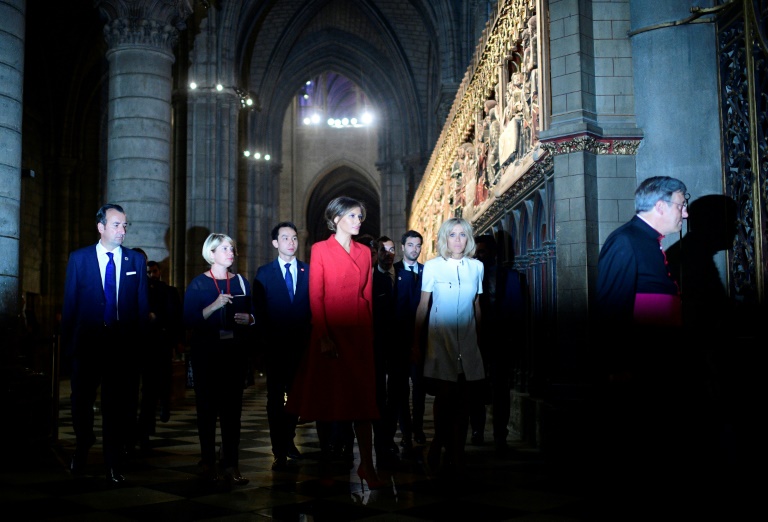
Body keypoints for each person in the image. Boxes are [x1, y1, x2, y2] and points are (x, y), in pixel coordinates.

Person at [595, 176, 691, 513]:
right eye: (681, 204)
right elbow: (611, 308)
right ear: (661, 205)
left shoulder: (650, 242)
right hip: (638, 373)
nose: (685, 213)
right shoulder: (626, 241)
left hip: (657, 368)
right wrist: (619, 367)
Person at [286, 196, 382, 489]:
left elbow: (366, 296)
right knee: (328, 404)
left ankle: (367, 464)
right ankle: (326, 466)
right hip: (329, 335)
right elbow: (316, 296)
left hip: (358, 335)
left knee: (363, 403)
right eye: (353, 216)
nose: (358, 221)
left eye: (360, 217)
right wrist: (324, 337)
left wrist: (367, 335)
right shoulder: (320, 249)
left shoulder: (365, 252)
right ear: (336, 218)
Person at [61, 203, 150, 485]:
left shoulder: (135, 261)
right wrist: (67, 349)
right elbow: (71, 305)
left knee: (117, 406)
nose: (122, 230)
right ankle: (83, 445)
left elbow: (141, 308)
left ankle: (113, 461)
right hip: (87, 345)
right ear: (100, 227)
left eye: (125, 225)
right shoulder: (79, 259)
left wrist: (139, 348)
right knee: (81, 402)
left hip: (121, 348)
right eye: (116, 225)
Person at [412, 217, 484, 475]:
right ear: (444, 238)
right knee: (444, 397)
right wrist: (417, 343)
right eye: (452, 234)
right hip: (440, 340)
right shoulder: (432, 267)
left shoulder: (477, 268)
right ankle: (438, 443)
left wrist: (480, 340)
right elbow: (423, 306)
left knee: (464, 400)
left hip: (467, 339)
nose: (457, 240)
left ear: (468, 239)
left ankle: (458, 451)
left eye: (462, 235)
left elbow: (476, 305)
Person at [183, 233, 255, 486]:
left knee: (232, 411)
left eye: (232, 248)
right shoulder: (199, 284)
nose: (230, 252)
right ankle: (207, 462)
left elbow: (255, 314)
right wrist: (214, 305)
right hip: (207, 354)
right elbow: (189, 319)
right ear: (211, 253)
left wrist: (250, 319)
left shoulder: (242, 283)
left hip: (234, 354)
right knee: (207, 409)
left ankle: (231, 464)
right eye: (224, 248)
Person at [253, 222, 311, 471]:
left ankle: (289, 441)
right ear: (275, 243)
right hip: (275, 349)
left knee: (296, 397)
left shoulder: (308, 271)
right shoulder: (264, 273)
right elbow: (259, 311)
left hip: (301, 348)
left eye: (294, 238)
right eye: (285, 238)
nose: (291, 242)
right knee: (275, 399)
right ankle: (278, 449)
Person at [468, 234, 527, 455]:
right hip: (475, 342)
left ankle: (500, 434)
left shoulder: (510, 277)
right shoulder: (469, 276)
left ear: (493, 253)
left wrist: (516, 343)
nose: (479, 255)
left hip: (501, 341)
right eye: (477, 251)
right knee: (476, 389)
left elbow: (517, 312)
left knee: (501, 390)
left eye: (483, 251)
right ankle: (477, 431)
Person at [132, 251, 183, 453]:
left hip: (154, 345)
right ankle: (133, 432)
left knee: (151, 389)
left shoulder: (160, 289)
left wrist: (155, 317)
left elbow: (171, 315)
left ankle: (144, 430)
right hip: (131, 346)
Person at [392, 230, 426, 447]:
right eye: (411, 245)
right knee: (401, 389)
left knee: (420, 388)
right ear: (402, 247)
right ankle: (405, 431)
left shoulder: (427, 271)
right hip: (398, 342)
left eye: (418, 245)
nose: (415, 249)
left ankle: (419, 429)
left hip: (422, 339)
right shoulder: (393, 272)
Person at [371, 235, 401, 468]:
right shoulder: (370, 280)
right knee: (379, 395)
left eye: (391, 250)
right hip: (377, 347)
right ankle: (381, 440)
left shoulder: (401, 277)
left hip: (398, 347)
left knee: (397, 395)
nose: (388, 254)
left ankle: (390, 437)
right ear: (376, 253)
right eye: (383, 250)